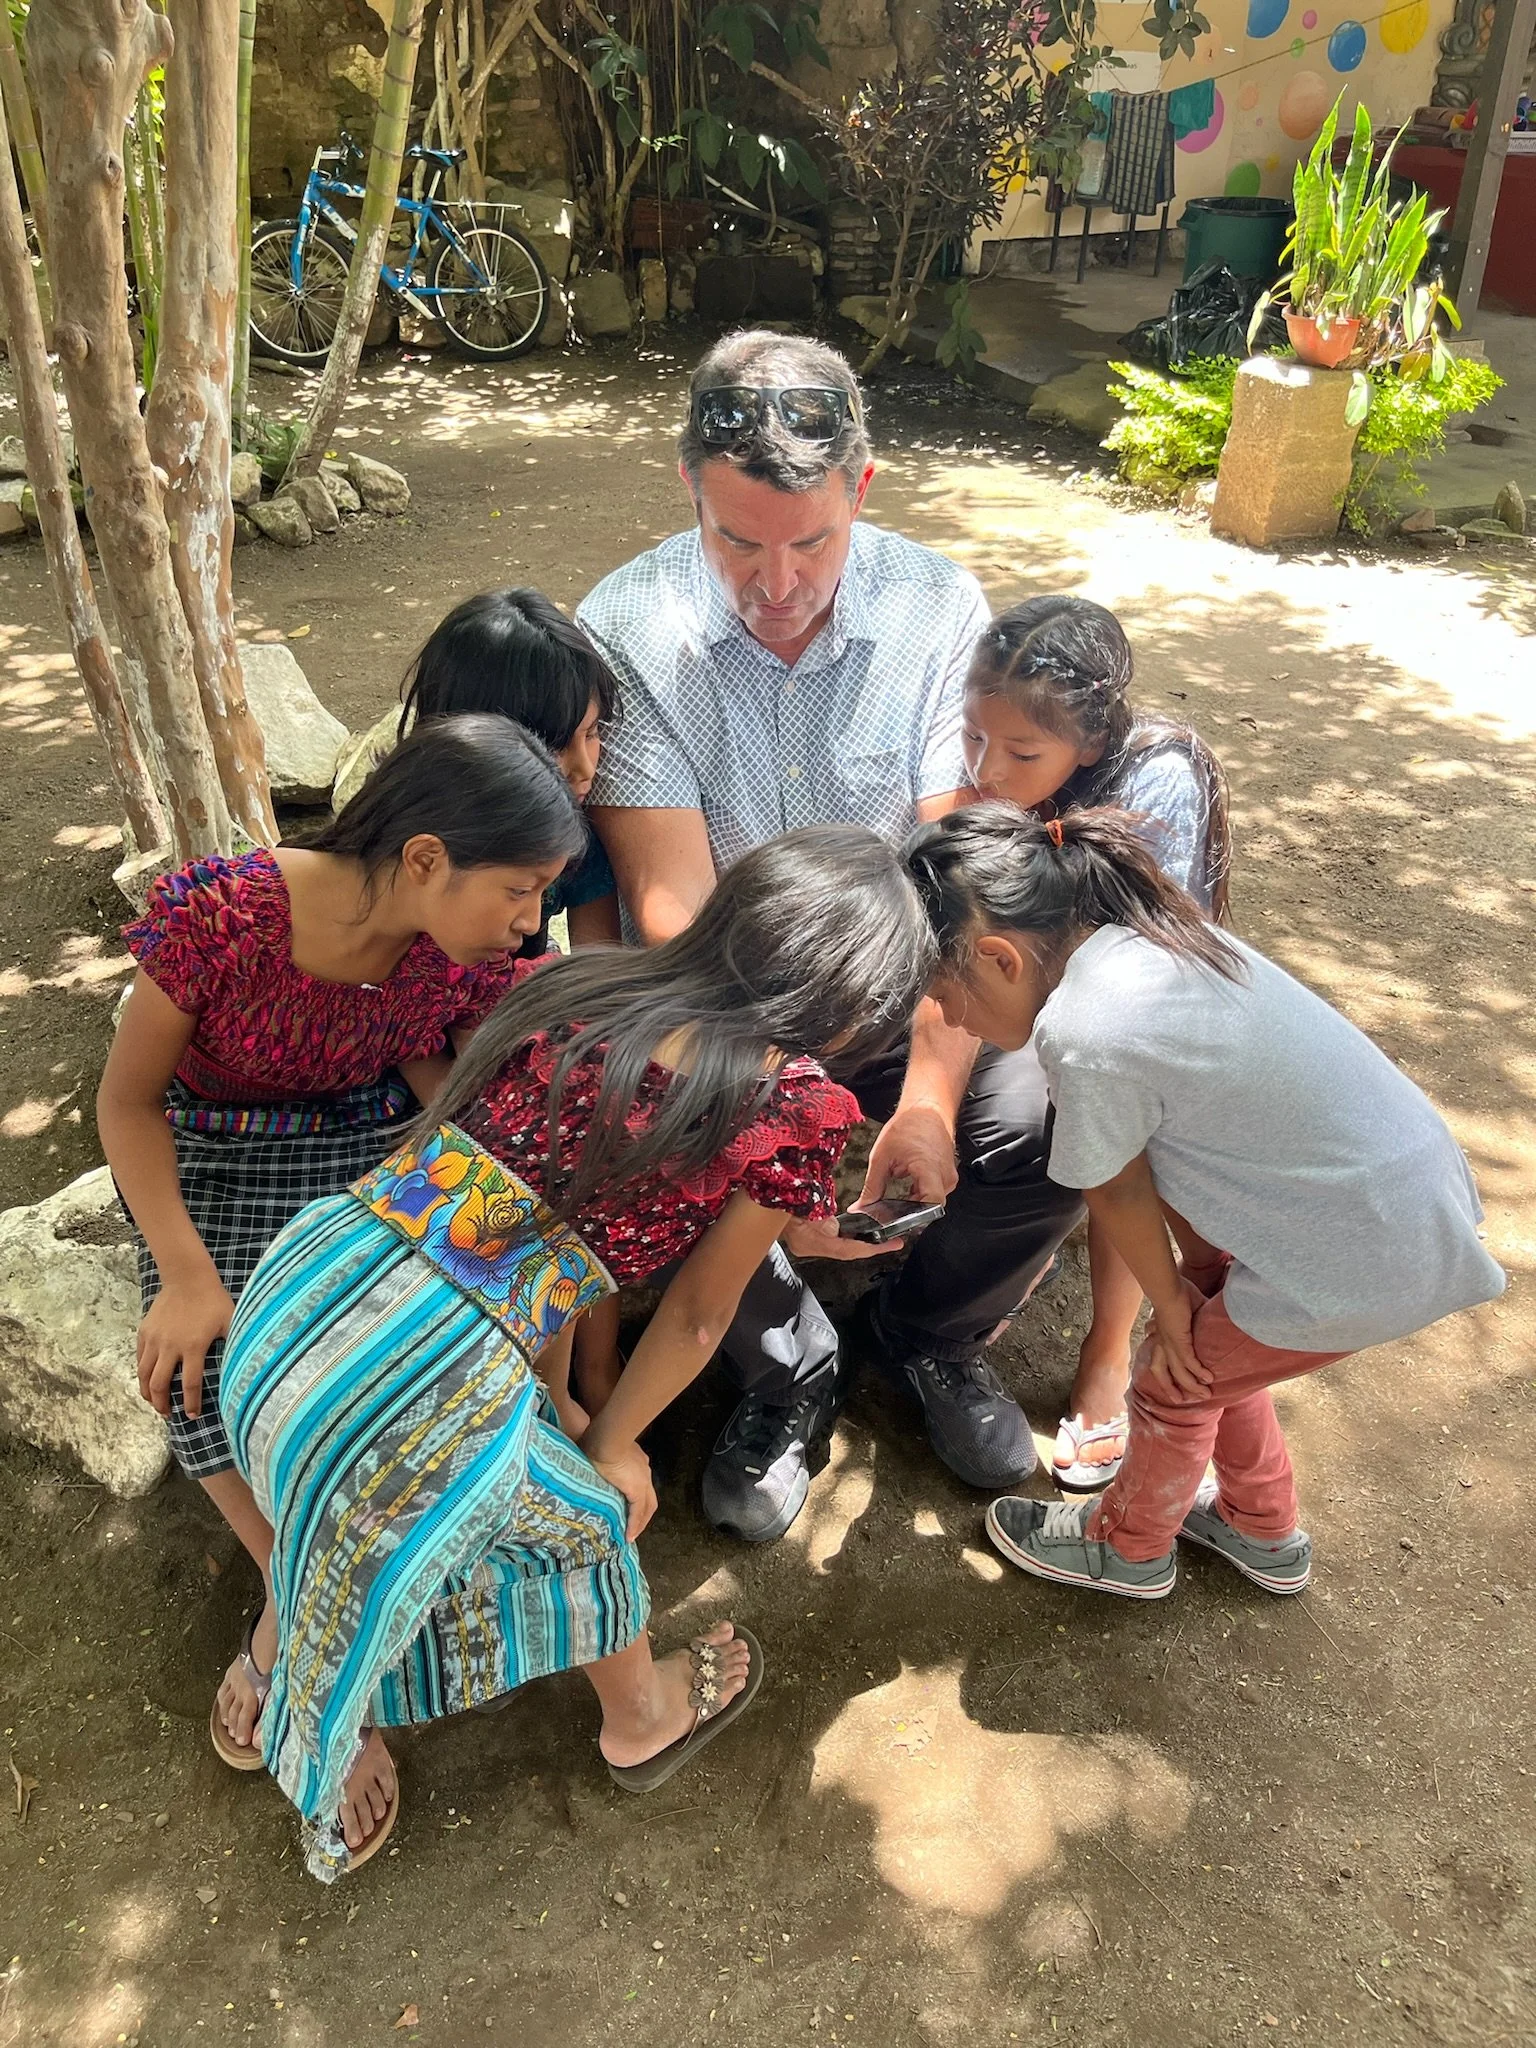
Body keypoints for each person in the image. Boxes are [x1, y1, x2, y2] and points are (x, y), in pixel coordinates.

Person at [216, 825, 935, 1879]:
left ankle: (287, 1618)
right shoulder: (795, 1105)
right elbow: (695, 1316)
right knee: (593, 1516)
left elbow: (524, 1236)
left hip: (303, 1293)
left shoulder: (578, 981)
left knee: (373, 1472)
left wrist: (554, 1400)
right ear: (852, 1008)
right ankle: (633, 1715)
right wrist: (612, 1441)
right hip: (412, 1387)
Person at [578, 327, 1083, 1545]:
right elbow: (675, 918)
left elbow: (962, 896)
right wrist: (781, 1144)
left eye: (811, 541)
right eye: (737, 540)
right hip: (735, 1002)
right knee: (651, 1117)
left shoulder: (937, 606)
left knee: (1057, 1107)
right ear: (688, 488)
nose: (777, 581)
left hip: (917, 984)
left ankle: (927, 1333)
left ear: (862, 489)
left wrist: (920, 1096)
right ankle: (789, 1361)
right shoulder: (628, 624)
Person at [98, 717, 586, 1779]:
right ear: (424, 859)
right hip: (216, 1154)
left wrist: (487, 1198)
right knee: (203, 1376)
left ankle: (316, 1597)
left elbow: (422, 1062)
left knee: (479, 1307)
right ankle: (305, 1589)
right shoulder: (225, 914)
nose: (531, 917)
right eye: (519, 886)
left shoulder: (448, 952)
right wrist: (184, 1272)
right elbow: (127, 1104)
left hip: (371, 1140)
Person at [902, 803, 1505, 1602]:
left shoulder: (1085, 1030)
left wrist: (1170, 1305)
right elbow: (1175, 1148)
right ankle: (1262, 1529)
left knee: (1172, 1376)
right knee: (1213, 1358)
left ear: (1000, 959)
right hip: (1396, 1209)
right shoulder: (1148, 940)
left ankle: (1130, 1548)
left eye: (946, 992)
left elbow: (1116, 1187)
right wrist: (1198, 1281)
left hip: (1361, 1254)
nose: (946, 1017)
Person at [957, 594, 1231, 1491]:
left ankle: (1109, 1349)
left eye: (1022, 754)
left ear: (1092, 736)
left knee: (1116, 1137)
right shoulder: (1002, 758)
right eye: (974, 740)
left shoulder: (1160, 781)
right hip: (1034, 992)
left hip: (1127, 1005)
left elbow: (1145, 964)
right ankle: (1017, 1262)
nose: (990, 770)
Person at [351, 586, 624, 949]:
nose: (585, 769)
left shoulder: (577, 829)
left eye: (591, 733)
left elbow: (595, 967)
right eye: (553, 745)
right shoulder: (393, 839)